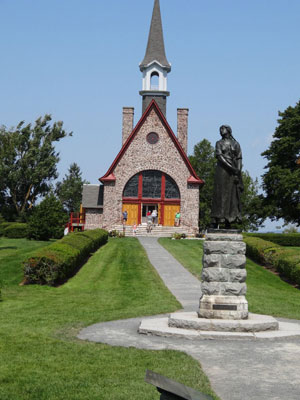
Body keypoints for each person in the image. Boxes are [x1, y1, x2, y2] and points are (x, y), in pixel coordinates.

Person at [211, 125, 243, 229]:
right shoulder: (219, 143)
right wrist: (232, 168)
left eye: (222, 128)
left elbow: (239, 158)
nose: (220, 130)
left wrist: (237, 171)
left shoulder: (236, 144)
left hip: (233, 172)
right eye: (219, 129)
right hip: (222, 171)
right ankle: (217, 219)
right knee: (220, 195)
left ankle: (230, 219)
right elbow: (220, 157)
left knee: (232, 195)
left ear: (228, 130)